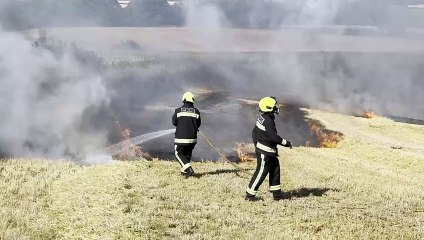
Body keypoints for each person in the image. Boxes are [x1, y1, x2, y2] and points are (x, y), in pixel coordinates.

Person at [246, 96, 293, 201]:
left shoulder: (263, 118)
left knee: (275, 170)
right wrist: (286, 143)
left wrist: (256, 143)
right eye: (275, 105)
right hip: (265, 152)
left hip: (270, 152)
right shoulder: (268, 120)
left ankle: (277, 194)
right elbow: (273, 137)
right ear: (269, 107)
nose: (277, 106)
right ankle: (250, 195)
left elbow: (254, 132)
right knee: (261, 172)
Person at [172, 92, 201, 177]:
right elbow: (198, 124)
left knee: (178, 153)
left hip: (180, 139)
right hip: (192, 139)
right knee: (187, 154)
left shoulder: (178, 111)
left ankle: (188, 169)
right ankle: (184, 171)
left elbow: (174, 122)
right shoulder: (197, 112)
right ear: (193, 100)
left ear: (183, 100)